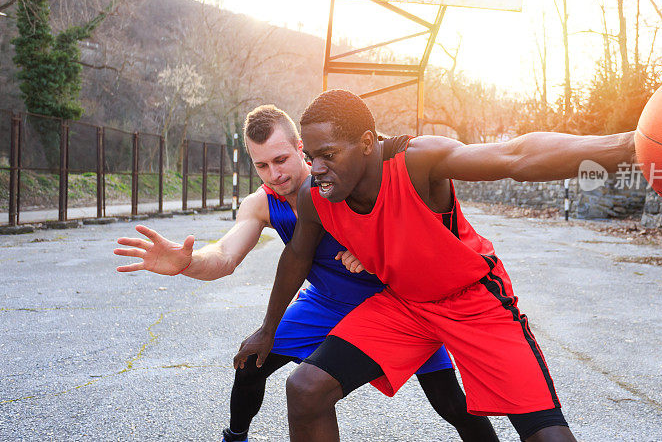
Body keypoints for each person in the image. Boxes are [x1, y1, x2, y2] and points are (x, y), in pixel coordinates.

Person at [235, 90, 638, 442]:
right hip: (404, 305)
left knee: (545, 434)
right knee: (306, 389)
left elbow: (516, 155)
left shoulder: (417, 161)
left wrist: (628, 146)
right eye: (311, 157)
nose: (317, 168)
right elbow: (297, 256)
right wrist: (267, 329)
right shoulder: (316, 196)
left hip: (473, 302)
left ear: (366, 143)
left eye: (328, 155)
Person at [114, 104, 499, 442]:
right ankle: (235, 437)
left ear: (301, 149)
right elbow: (225, 255)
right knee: (250, 362)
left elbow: (419, 220)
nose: (274, 174)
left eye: (281, 160)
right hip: (324, 303)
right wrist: (188, 262)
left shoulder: (346, 179)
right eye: (261, 165)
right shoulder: (261, 203)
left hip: (392, 304)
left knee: (451, 403)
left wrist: (378, 249)